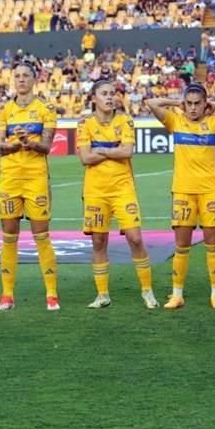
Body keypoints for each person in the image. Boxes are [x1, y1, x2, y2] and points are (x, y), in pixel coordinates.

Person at [146, 84, 215, 310]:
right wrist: (175, 104)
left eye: (197, 103)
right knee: (181, 246)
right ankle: (177, 295)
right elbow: (151, 103)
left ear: (204, 104)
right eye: (188, 103)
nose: (192, 108)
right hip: (182, 191)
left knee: (212, 245)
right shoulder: (175, 121)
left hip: (210, 191)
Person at [77, 80, 157, 309]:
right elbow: (85, 158)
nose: (109, 97)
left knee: (135, 238)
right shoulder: (85, 124)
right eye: (104, 93)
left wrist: (101, 149)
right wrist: (114, 152)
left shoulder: (125, 121)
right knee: (99, 241)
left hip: (123, 188)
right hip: (95, 191)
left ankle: (147, 291)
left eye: (112, 93)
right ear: (94, 98)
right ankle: (102, 295)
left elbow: (128, 152)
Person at [0, 62, 60, 311]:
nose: (21, 80)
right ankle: (7, 295)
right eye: (17, 76)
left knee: (41, 236)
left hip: (35, 178)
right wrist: (12, 145)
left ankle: (51, 294)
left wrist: (27, 142)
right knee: (9, 237)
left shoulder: (46, 109)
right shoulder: (4, 110)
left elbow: (46, 146)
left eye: (25, 76)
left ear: (34, 80)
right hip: (9, 178)